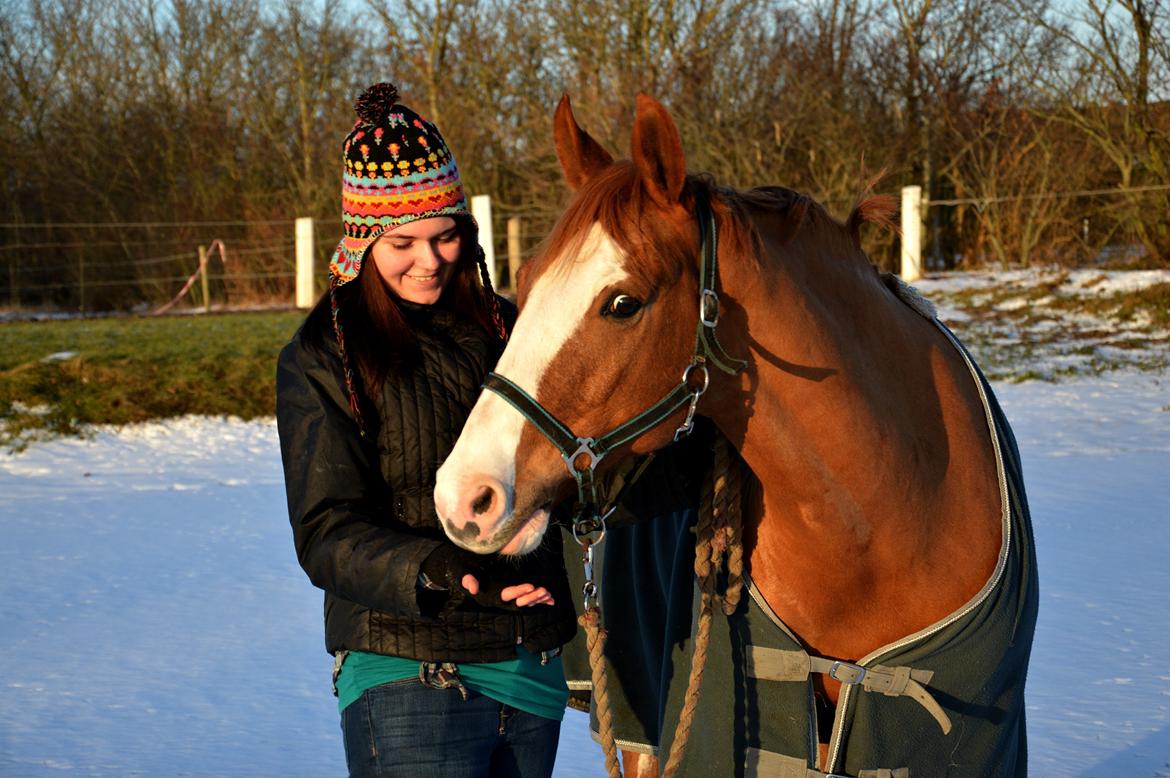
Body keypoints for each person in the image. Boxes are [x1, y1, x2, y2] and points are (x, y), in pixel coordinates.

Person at [276, 82, 576, 778]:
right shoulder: (328, 354)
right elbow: (326, 531)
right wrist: (444, 571)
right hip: (409, 671)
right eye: (402, 241)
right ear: (362, 241)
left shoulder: (510, 333)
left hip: (528, 667)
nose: (431, 259)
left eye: (446, 236)